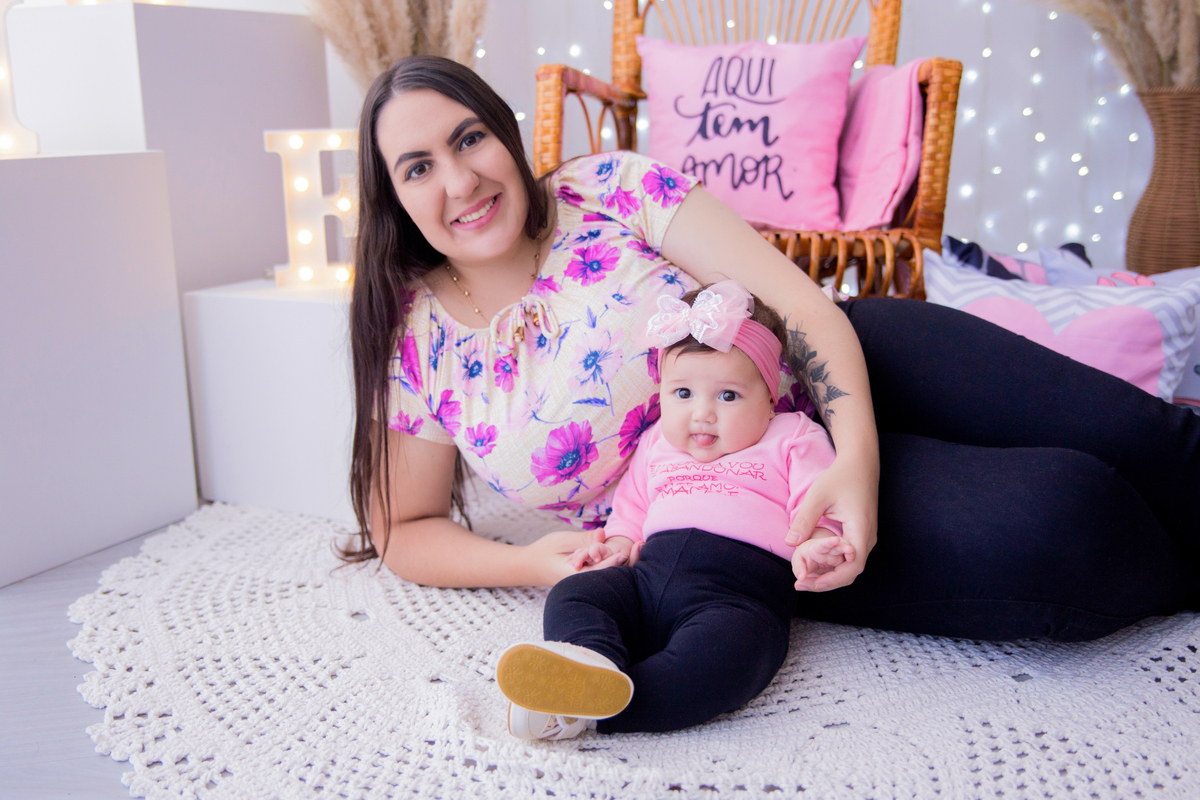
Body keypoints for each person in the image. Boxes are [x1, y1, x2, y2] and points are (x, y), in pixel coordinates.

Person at [344, 54, 1200, 648]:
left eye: (467, 139)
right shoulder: (416, 342)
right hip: (747, 507)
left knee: (1144, 435)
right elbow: (402, 527)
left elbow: (798, 302)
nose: (459, 182)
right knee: (1069, 517)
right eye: (417, 168)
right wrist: (527, 563)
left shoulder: (607, 189)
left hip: (860, 366)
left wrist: (855, 461)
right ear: (391, 199)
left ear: (502, 132)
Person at [496, 281, 854, 740]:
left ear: (769, 396)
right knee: (575, 594)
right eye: (682, 393)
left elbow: (824, 503)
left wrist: (821, 543)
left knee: (725, 656)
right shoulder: (656, 443)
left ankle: (600, 707)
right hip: (646, 580)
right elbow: (632, 508)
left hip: (737, 597)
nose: (701, 413)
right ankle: (591, 661)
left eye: (727, 396)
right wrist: (617, 547)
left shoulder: (791, 436)